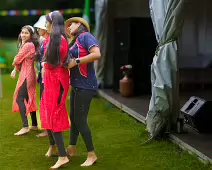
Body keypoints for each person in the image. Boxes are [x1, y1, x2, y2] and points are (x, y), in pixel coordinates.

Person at [65, 17, 101, 166]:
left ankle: (91, 154)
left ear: (80, 24)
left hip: (86, 85)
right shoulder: (75, 41)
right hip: (77, 85)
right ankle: (72, 148)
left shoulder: (86, 36)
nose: (68, 27)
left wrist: (77, 61)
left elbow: (96, 54)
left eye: (71, 24)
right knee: (73, 117)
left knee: (80, 119)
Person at [40, 11, 70, 169]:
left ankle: (63, 156)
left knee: (55, 115)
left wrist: (44, 66)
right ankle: (53, 146)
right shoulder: (55, 38)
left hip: (56, 81)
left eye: (47, 23)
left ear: (53, 23)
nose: (45, 26)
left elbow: (51, 63)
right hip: (52, 80)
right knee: (47, 112)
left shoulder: (58, 39)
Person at [11, 25, 40, 136]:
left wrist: (15, 63)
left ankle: (25, 126)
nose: (23, 35)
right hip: (28, 73)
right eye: (22, 32)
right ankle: (34, 124)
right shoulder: (27, 44)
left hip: (27, 74)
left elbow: (17, 58)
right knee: (29, 98)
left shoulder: (28, 45)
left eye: (26, 33)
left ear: (31, 35)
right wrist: (15, 69)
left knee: (19, 98)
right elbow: (20, 60)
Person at [34, 15, 49, 138]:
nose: (38, 31)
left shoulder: (46, 41)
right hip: (42, 75)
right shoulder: (43, 40)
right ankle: (46, 127)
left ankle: (48, 128)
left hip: (47, 75)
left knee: (45, 101)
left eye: (39, 28)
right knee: (43, 101)